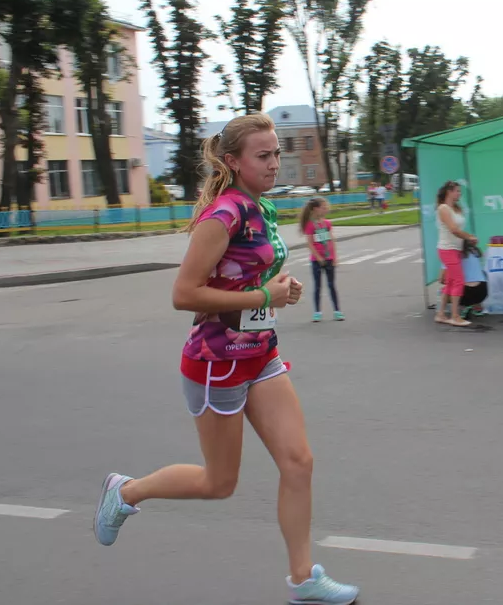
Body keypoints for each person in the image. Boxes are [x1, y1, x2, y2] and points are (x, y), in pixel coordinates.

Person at [91, 113, 359, 604]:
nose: (275, 163)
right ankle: (125, 493)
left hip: (260, 354)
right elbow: (184, 294)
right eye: (264, 155)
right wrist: (262, 298)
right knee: (219, 483)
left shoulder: (263, 209)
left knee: (299, 462)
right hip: (216, 363)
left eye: (277, 153)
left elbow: (252, 281)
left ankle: (304, 578)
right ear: (233, 162)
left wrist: (283, 289)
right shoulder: (223, 216)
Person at [436, 180, 476, 327]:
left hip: (455, 248)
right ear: (449, 192)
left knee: (451, 281)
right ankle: (455, 316)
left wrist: (467, 238)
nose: (459, 194)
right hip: (447, 249)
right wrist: (469, 237)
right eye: (457, 191)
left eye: (460, 191)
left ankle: (440, 314)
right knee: (458, 280)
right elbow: (453, 229)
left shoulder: (456, 208)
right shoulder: (443, 208)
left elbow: (457, 229)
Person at [300, 197, 343, 322]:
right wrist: (318, 257)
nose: (326, 209)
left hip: (329, 258)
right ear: (315, 209)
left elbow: (331, 240)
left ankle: (337, 311)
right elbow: (309, 243)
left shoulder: (327, 223)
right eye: (323, 207)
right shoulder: (310, 225)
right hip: (316, 261)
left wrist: (334, 257)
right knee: (317, 286)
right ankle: (317, 312)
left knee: (331, 285)